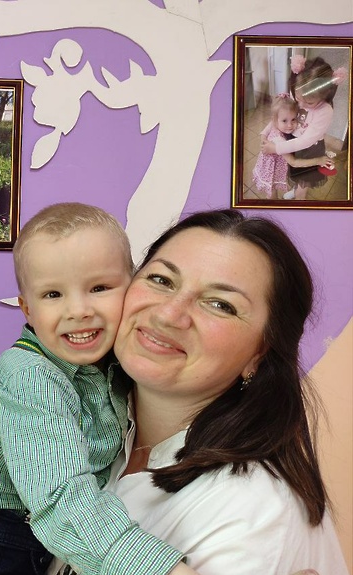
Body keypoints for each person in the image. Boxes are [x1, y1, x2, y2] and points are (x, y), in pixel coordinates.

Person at [50, 209, 347, 574]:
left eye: (221, 304)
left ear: (259, 354)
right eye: (161, 279)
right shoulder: (84, 433)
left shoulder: (253, 514)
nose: (168, 314)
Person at [0, 203, 194, 575]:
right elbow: (59, 496)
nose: (78, 310)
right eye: (53, 295)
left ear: (132, 287)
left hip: (74, 528)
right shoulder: (29, 376)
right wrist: (162, 569)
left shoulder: (122, 357)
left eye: (99, 288)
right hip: (4, 540)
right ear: (27, 310)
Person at [261, 55, 347, 200]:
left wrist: (276, 148)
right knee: (295, 173)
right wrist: (265, 133)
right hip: (292, 143)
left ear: (324, 96)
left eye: (309, 102)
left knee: (303, 184)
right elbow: (281, 113)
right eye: (298, 98)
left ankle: (299, 199)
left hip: (309, 150)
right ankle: (295, 191)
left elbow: (305, 141)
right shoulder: (298, 92)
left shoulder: (325, 111)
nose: (300, 105)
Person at [252, 94, 333, 200]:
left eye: (293, 119)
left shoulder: (277, 126)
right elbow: (293, 162)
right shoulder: (278, 140)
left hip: (273, 168)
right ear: (275, 121)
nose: (290, 125)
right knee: (271, 194)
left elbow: (270, 125)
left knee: (274, 191)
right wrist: (319, 161)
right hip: (270, 172)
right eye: (284, 121)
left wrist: (263, 137)